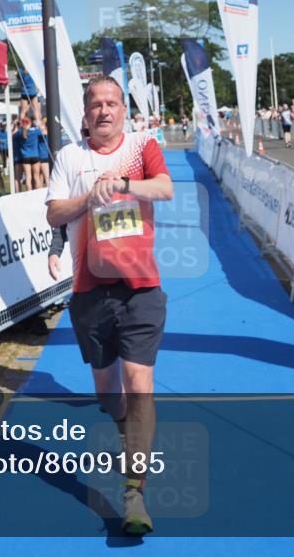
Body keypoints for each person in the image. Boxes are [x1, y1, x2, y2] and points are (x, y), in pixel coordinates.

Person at [45, 76, 173, 535]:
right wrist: (90, 196)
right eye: (96, 104)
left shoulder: (141, 146)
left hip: (140, 288)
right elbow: (53, 212)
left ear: (124, 110)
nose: (104, 110)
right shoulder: (69, 157)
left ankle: (134, 490)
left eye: (112, 103)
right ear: (85, 114)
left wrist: (122, 183)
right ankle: (123, 426)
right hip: (89, 290)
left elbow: (165, 188)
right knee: (107, 392)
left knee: (139, 383)